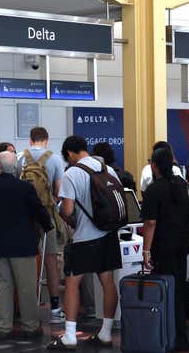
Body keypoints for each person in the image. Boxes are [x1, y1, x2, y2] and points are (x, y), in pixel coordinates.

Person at [47, 135, 122, 350]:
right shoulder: (108, 169)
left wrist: (59, 209)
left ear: (70, 153)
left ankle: (70, 336)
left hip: (84, 238)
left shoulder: (72, 173)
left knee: (72, 283)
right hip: (108, 235)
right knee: (108, 283)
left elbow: (68, 210)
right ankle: (106, 334)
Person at [0, 151, 53, 339]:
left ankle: (3, 327)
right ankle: (30, 326)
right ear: (14, 168)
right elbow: (38, 210)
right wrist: (48, 225)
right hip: (23, 246)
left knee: (2, 288)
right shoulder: (24, 187)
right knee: (26, 288)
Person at [141, 147, 189, 351]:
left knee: (164, 292)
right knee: (178, 291)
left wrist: (146, 251)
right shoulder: (181, 184)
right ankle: (180, 338)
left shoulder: (155, 189)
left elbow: (150, 223)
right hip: (182, 246)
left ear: (154, 165)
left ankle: (164, 335)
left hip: (163, 248)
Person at [18, 127, 66, 324]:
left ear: (31, 140)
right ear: (46, 140)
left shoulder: (19, 158)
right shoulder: (55, 159)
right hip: (47, 216)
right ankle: (55, 309)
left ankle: (24, 310)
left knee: (24, 263)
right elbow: (59, 191)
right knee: (51, 262)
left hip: (23, 217)